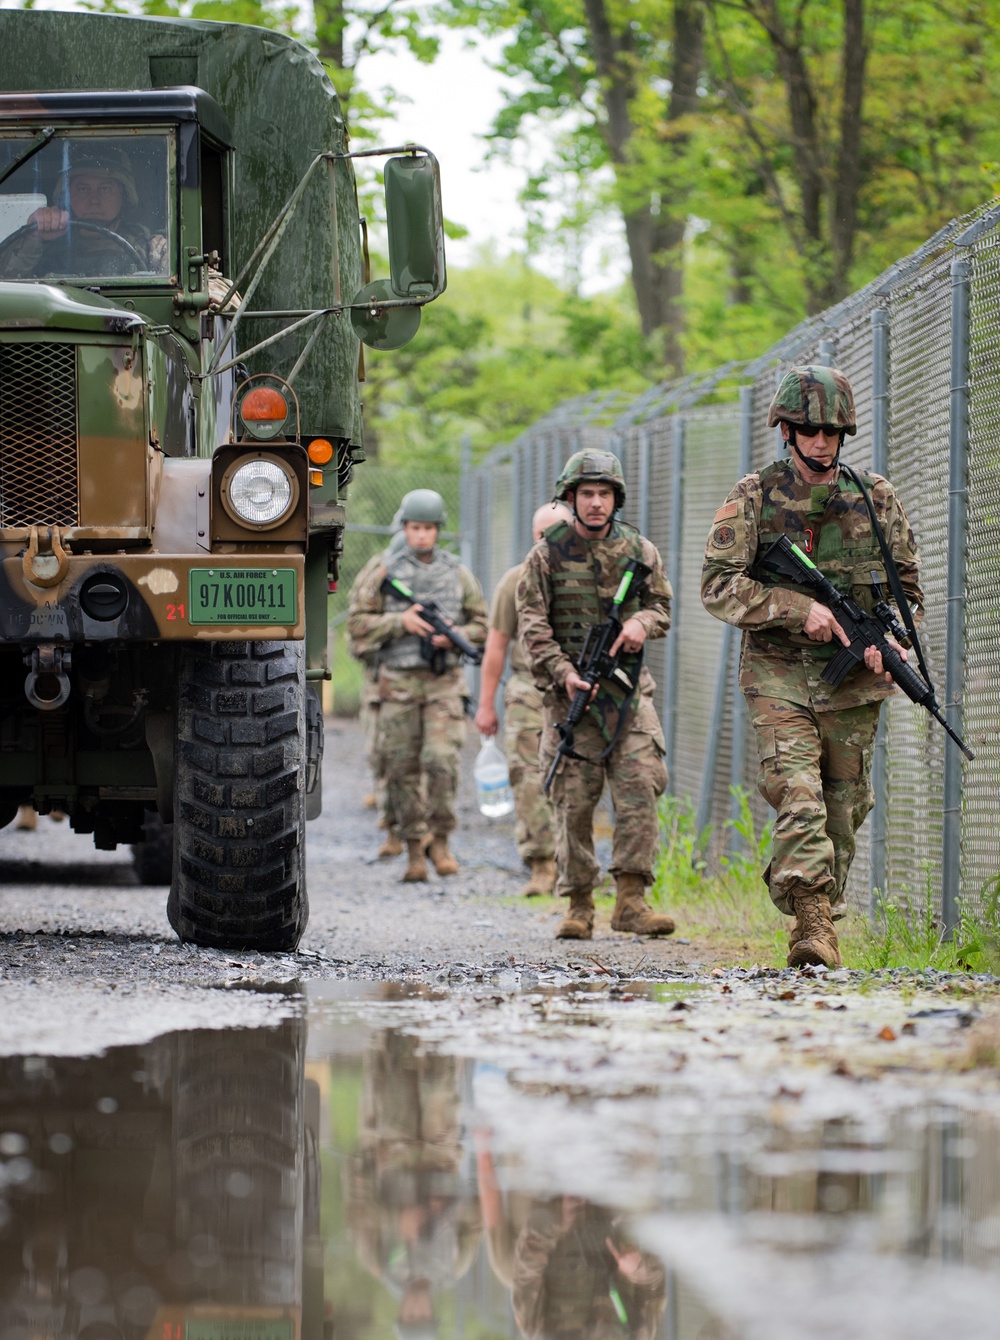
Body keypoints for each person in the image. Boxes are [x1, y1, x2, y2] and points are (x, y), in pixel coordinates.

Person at [701, 365, 923, 969]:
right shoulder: (753, 495)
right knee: (799, 796)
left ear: (845, 432)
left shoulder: (875, 497)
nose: (820, 442)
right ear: (786, 431)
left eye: (830, 431)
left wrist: (895, 645)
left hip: (853, 682)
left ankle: (818, 907)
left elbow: (908, 589)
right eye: (807, 430)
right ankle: (812, 923)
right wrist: (800, 609)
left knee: (843, 808)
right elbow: (718, 586)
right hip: (777, 675)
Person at [517, 451, 675, 940]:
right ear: (570, 498)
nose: (596, 503)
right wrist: (563, 673)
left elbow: (662, 607)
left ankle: (631, 901)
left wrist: (638, 624)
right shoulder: (545, 555)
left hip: (628, 699)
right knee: (573, 803)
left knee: (639, 792)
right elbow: (532, 625)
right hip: (572, 702)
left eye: (604, 494)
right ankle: (580, 904)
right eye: (586, 493)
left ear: (616, 499)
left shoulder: (640, 551)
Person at [347, 489, 488, 881]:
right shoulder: (382, 570)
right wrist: (400, 622)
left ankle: (440, 841)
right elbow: (357, 624)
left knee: (442, 762)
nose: (422, 535)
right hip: (397, 686)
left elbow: (482, 625)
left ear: (438, 530)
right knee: (401, 768)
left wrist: (456, 633)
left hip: (444, 684)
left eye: (428, 528)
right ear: (404, 529)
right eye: (415, 528)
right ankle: (412, 849)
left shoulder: (457, 572)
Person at [474, 501, 573, 898]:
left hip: (577, 690)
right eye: (544, 534)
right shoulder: (515, 580)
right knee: (528, 777)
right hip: (529, 688)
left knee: (575, 778)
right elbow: (496, 647)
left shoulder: (587, 578)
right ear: (535, 536)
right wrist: (485, 705)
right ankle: (541, 863)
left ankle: (574, 864)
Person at [0, 143, 167, 278]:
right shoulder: (44, 251)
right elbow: (9, 290)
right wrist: (34, 239)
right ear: (68, 196)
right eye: (83, 189)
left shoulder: (150, 250)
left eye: (105, 189)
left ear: (124, 195)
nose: (94, 200)